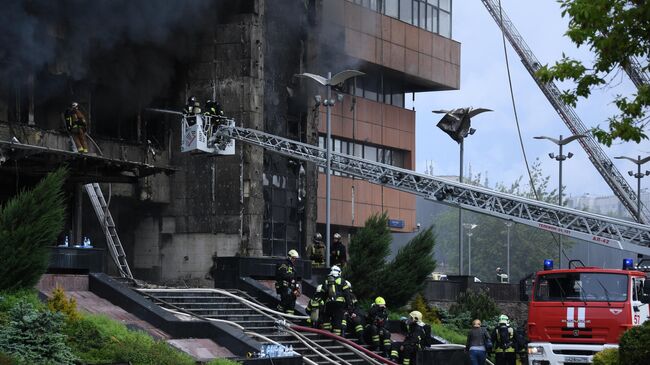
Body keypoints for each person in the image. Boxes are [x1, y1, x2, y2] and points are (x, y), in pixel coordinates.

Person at [321, 265, 351, 336]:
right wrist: (349, 305)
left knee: (327, 319)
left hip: (329, 304)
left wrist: (323, 303)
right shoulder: (343, 281)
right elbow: (347, 294)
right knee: (337, 320)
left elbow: (322, 294)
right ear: (339, 272)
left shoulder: (326, 281)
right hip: (339, 305)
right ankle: (336, 338)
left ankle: (326, 335)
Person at [275, 250, 301, 314]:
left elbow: (295, 279)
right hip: (284, 285)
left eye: (295, 258)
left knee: (292, 299)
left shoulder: (293, 267)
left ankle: (289, 316)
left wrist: (296, 288)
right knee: (286, 298)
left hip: (291, 287)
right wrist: (291, 276)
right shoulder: (283, 264)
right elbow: (282, 275)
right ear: (289, 257)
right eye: (293, 258)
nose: (294, 259)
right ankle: (278, 312)